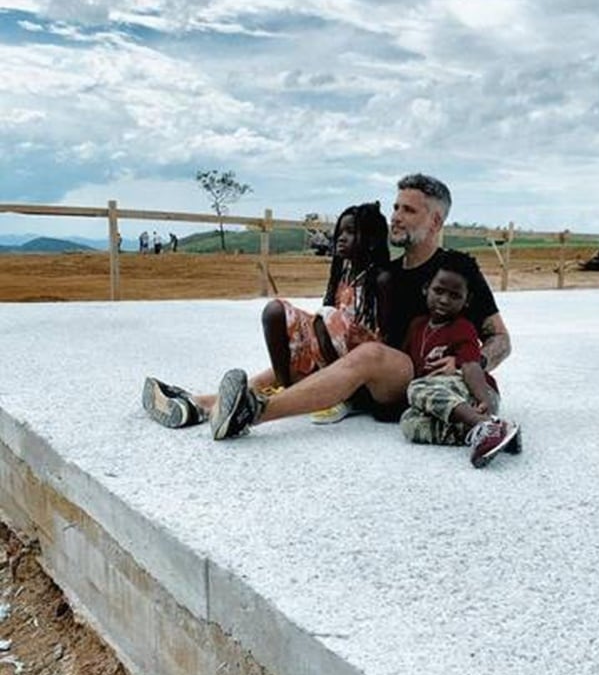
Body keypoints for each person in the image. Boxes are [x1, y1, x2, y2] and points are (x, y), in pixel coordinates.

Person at [141, 173, 512, 440]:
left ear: (435, 220)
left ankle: (254, 413)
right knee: (311, 346)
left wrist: (470, 365)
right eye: (396, 206)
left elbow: (500, 339)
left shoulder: (455, 273)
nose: (396, 216)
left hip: (413, 381)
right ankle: (201, 404)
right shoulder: (385, 272)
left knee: (369, 354)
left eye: (409, 210)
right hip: (365, 376)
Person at [258, 202, 391, 422]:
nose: (341, 237)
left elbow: (386, 335)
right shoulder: (343, 274)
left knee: (327, 316)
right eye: (340, 232)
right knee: (275, 311)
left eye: (351, 232)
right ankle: (286, 388)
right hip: (335, 343)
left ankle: (341, 396)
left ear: (372, 239)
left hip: (361, 357)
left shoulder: (380, 278)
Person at [399, 249, 521, 467]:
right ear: (426, 288)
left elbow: (471, 365)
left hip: (477, 392)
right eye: (438, 291)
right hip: (451, 401)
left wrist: (483, 399)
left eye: (454, 295)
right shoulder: (416, 326)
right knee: (409, 422)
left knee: (416, 388)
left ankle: (484, 424)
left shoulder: (462, 328)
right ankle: (498, 435)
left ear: (467, 300)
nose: (444, 300)